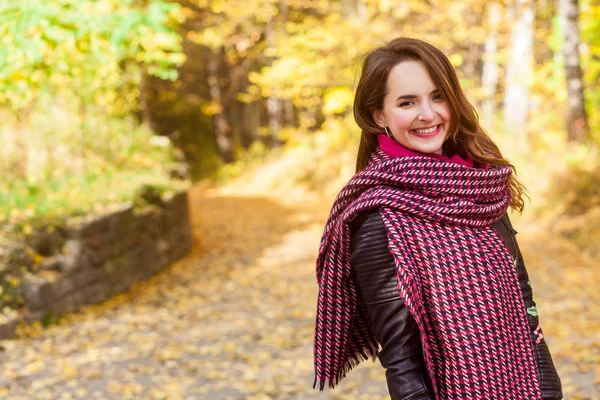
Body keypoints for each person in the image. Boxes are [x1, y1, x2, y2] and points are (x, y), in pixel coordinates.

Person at [312, 37, 563, 399]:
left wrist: (550, 391)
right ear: (379, 115)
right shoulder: (378, 219)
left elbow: (526, 307)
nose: (428, 114)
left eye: (437, 96)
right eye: (406, 102)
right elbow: (401, 361)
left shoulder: (481, 189)